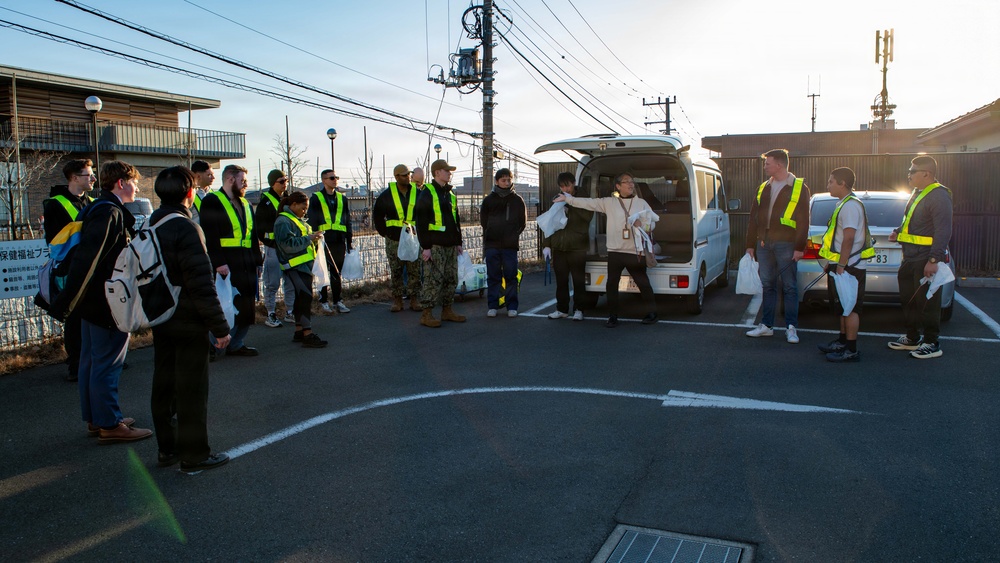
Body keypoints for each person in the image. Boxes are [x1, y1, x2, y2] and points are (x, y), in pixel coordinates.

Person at [49, 160, 152, 443]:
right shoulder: (110, 212)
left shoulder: (98, 207)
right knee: (107, 362)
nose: (136, 188)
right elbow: (89, 260)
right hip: (106, 301)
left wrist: (72, 301)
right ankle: (110, 423)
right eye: (134, 182)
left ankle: (98, 417)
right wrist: (67, 301)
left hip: (92, 301)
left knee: (91, 362)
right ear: (121, 183)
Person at [148, 166, 232, 472]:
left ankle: (166, 448)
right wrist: (219, 328)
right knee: (192, 389)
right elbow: (201, 283)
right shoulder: (186, 228)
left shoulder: (152, 223)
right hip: (187, 318)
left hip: (160, 315)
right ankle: (194, 454)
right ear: (189, 193)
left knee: (164, 382)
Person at [554, 172, 657, 328]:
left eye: (631, 182)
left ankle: (652, 313)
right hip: (615, 251)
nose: (630, 184)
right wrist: (568, 199)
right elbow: (589, 203)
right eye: (626, 182)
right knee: (611, 284)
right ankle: (613, 316)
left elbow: (652, 224)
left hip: (635, 251)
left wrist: (642, 225)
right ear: (618, 186)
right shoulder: (609, 202)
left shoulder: (641, 203)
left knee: (642, 282)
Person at [888, 155, 953, 359]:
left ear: (926, 174)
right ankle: (913, 337)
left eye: (912, 171)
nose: (909, 174)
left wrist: (933, 260)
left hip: (925, 258)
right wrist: (899, 233)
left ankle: (931, 343)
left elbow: (943, 231)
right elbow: (911, 222)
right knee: (909, 299)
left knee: (927, 302)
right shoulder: (918, 193)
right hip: (909, 257)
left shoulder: (939, 196)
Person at [744, 148, 811, 343]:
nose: (765, 166)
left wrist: (799, 247)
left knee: (789, 287)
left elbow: (804, 220)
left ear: (779, 164)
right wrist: (750, 245)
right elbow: (753, 218)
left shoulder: (799, 187)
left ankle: (791, 328)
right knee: (768, 285)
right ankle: (767, 326)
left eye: (767, 163)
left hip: (787, 245)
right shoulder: (763, 186)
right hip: (764, 244)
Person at [199, 164, 262, 357]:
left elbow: (252, 236)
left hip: (247, 262)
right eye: (242, 180)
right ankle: (212, 345)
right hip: (227, 262)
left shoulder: (245, 203)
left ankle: (236, 344)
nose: (245, 184)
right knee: (225, 304)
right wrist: (218, 262)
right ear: (230, 179)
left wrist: (258, 261)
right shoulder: (212, 201)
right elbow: (210, 235)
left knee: (246, 306)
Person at [42, 158, 94, 382]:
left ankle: (95, 359)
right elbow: (54, 241)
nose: (92, 178)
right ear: (74, 178)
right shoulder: (55, 204)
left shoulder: (92, 201)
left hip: (92, 266)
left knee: (93, 314)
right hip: (70, 268)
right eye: (88, 175)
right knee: (74, 316)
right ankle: (75, 364)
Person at [817, 167, 874, 362]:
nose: (828, 185)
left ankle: (851, 349)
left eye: (831, 181)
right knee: (843, 305)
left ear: (842, 183)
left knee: (851, 307)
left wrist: (841, 264)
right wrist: (833, 264)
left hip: (850, 266)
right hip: (842, 264)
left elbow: (849, 238)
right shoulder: (844, 204)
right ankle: (842, 341)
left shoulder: (850, 206)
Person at [414, 159, 466, 328]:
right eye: (447, 171)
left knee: (451, 278)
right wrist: (426, 247)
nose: (450, 173)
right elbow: (420, 222)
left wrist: (458, 242)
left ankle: (447, 310)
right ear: (437, 172)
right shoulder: (427, 192)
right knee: (433, 279)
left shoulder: (449, 194)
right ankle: (426, 314)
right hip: (435, 245)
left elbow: (455, 220)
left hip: (450, 245)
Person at [274, 191, 328, 348]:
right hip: (294, 265)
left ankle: (299, 330)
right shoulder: (283, 221)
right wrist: (309, 238)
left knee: (301, 297)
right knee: (305, 297)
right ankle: (307, 333)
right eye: (303, 208)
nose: (305, 211)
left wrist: (313, 237)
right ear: (293, 205)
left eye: (307, 209)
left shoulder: (296, 220)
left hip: (303, 265)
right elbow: (287, 245)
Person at [543, 172, 593, 321]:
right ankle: (561, 309)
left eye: (568, 185)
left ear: (574, 183)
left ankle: (579, 309)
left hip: (577, 246)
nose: (565, 189)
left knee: (578, 280)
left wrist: (571, 203)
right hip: (559, 246)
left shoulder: (584, 198)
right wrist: (547, 245)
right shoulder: (557, 199)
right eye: (562, 186)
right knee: (561, 281)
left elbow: (588, 217)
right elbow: (549, 223)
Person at [373, 164, 422, 312]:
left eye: (409, 175)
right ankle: (398, 300)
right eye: (404, 175)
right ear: (396, 177)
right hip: (394, 239)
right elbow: (377, 215)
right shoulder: (386, 195)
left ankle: (414, 299)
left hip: (413, 238)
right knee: (396, 270)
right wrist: (385, 233)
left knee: (414, 269)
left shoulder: (417, 193)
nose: (408, 177)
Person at [481, 167, 527, 317]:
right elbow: (484, 222)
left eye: (509, 180)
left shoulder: (517, 200)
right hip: (492, 245)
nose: (507, 183)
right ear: (497, 181)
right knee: (493, 276)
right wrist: (492, 233)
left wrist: (512, 235)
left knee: (511, 276)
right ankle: (492, 305)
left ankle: (512, 306)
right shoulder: (488, 200)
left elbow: (523, 222)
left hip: (510, 246)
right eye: (503, 180)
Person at [308, 170, 352, 314]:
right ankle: (323, 301)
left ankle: (338, 300)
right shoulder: (316, 198)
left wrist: (349, 240)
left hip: (339, 240)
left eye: (336, 177)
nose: (335, 180)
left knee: (336, 272)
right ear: (324, 180)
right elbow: (312, 219)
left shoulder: (342, 199)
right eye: (332, 178)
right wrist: (314, 239)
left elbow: (347, 220)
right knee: (322, 271)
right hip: (323, 241)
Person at [256, 169, 296, 327]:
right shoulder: (265, 202)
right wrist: (270, 243)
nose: (285, 183)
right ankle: (271, 313)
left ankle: (290, 312)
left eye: (286, 180)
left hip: (289, 248)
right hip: (273, 248)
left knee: (290, 281)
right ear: (272, 183)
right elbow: (260, 229)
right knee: (272, 282)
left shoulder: (288, 199)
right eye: (281, 181)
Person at [190, 160, 215, 224]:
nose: (213, 177)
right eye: (209, 175)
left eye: (213, 174)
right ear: (198, 176)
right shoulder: (188, 195)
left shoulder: (213, 194)